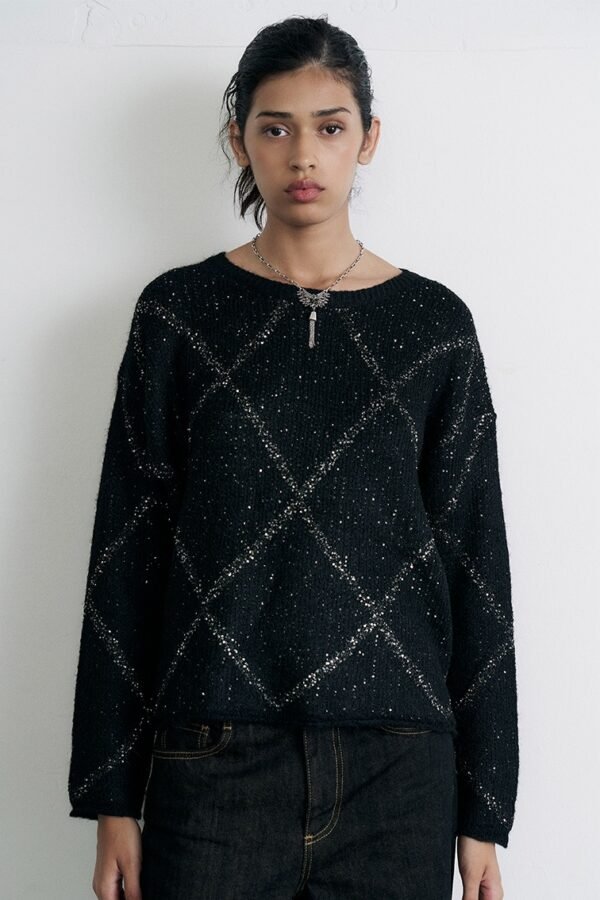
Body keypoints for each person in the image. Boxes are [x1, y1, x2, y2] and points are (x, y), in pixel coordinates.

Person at [68, 14, 519, 900]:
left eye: (330, 127)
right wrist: (110, 796)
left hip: (400, 771)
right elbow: (125, 555)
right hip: (213, 762)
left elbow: (476, 560)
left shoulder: (435, 328)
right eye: (275, 128)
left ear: (368, 138)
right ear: (239, 141)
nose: (303, 154)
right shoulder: (178, 315)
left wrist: (485, 808)